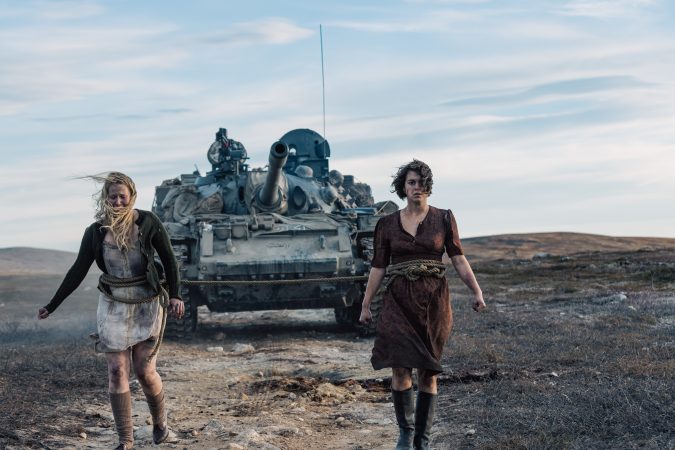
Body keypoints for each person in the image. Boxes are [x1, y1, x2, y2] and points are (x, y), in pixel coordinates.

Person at [37, 172, 185, 450]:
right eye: (112, 196)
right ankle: (125, 440)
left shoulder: (149, 222)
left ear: (132, 196)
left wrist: (176, 295)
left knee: (144, 370)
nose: (117, 202)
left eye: (122, 196)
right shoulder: (95, 231)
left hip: (147, 302)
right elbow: (78, 270)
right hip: (113, 304)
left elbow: (169, 260)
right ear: (105, 198)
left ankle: (161, 425)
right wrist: (52, 305)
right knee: (117, 370)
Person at [359, 160, 485, 450]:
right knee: (400, 367)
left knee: (428, 372)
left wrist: (476, 291)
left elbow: (458, 258)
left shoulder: (443, 218)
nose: (417, 187)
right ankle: (405, 434)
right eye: (411, 182)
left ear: (429, 186)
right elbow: (378, 267)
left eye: (422, 183)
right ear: (403, 187)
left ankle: (422, 441)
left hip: (433, 302)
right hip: (398, 300)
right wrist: (366, 304)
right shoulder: (387, 224)